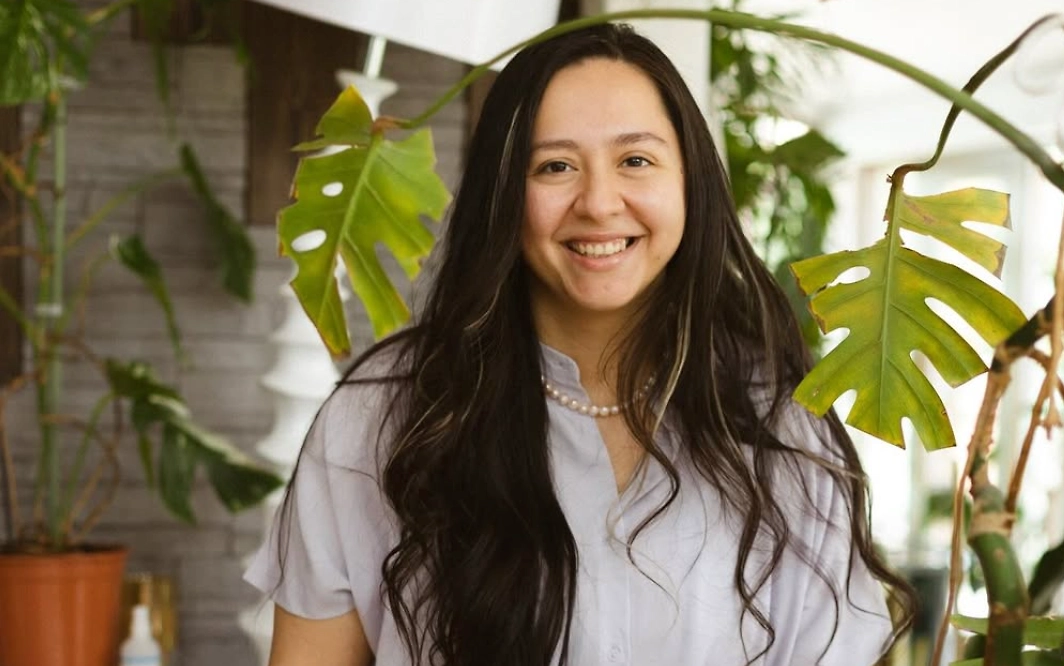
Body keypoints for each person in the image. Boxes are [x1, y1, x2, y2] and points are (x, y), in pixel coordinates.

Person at [245, 22, 915, 666]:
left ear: (691, 182)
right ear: (503, 193)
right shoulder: (382, 419)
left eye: (635, 160)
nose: (598, 202)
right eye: (555, 166)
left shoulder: (781, 421)